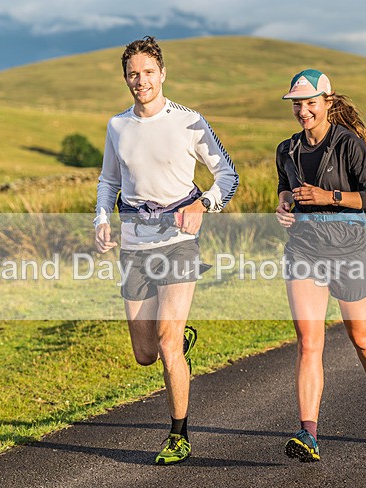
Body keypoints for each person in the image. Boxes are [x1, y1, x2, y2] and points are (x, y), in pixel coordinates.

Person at [94, 37, 239, 465]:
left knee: (166, 340)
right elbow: (108, 182)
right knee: (145, 354)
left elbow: (227, 175)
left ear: (163, 74)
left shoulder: (189, 121)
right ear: (126, 78)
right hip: (135, 245)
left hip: (179, 243)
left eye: (148, 72)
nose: (141, 81)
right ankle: (177, 345)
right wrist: (102, 220)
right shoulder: (117, 126)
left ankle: (178, 435)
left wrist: (204, 203)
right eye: (133, 74)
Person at [275, 69, 366, 462]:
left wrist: (329, 195)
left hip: (350, 253)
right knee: (309, 343)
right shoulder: (287, 150)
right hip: (304, 253)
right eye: (298, 104)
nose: (304, 111)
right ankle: (308, 433)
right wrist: (283, 204)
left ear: (327, 102)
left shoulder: (349, 144)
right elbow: (285, 188)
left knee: (361, 336)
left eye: (311, 103)